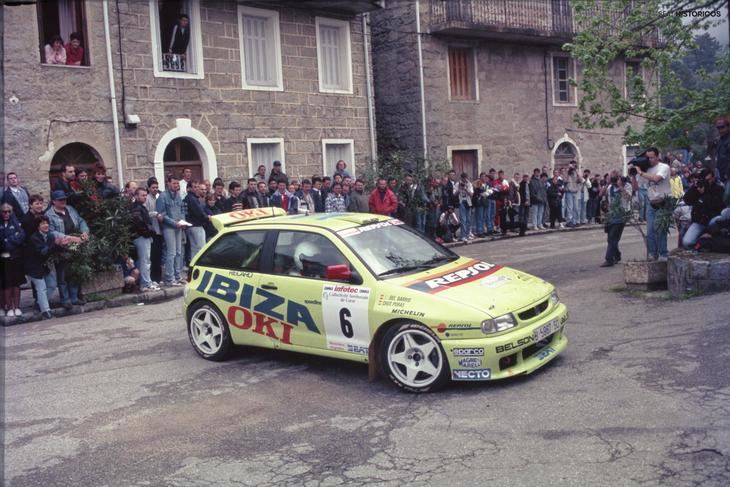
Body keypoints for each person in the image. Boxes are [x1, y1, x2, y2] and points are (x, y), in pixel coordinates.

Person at [25, 216, 79, 320]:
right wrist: (56, 244)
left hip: (44, 266)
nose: (46, 225)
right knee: (41, 288)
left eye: (46, 223)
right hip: (34, 268)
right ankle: (46, 311)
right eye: (42, 224)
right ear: (38, 226)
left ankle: (38, 303)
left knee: (52, 285)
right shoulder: (34, 238)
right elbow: (43, 252)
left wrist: (61, 245)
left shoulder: (49, 235)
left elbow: (53, 249)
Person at [45, 191, 89, 309]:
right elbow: (51, 231)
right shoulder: (49, 215)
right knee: (63, 274)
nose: (63, 201)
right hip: (61, 247)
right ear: (54, 201)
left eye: (64, 199)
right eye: (60, 200)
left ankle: (74, 298)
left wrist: (84, 232)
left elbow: (80, 221)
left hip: (75, 245)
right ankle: (65, 300)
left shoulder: (70, 209)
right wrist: (69, 238)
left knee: (73, 271)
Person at [631, 147, 671, 260]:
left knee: (661, 229)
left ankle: (663, 254)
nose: (649, 160)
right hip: (651, 202)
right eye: (647, 157)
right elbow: (636, 188)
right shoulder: (646, 169)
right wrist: (634, 175)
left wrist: (641, 172)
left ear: (658, 156)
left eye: (652, 157)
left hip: (663, 201)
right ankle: (652, 254)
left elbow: (656, 179)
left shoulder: (664, 167)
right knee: (650, 231)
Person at [681, 169, 726, 249]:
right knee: (687, 242)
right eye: (706, 180)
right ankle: (700, 242)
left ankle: (710, 236)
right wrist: (694, 188)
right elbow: (687, 200)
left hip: (713, 220)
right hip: (700, 221)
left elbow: (717, 206)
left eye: (710, 179)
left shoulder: (719, 189)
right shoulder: (698, 188)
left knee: (720, 218)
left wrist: (705, 194)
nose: (708, 181)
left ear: (713, 178)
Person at [156, 175, 185, 286]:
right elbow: (162, 214)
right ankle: (170, 277)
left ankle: (178, 276)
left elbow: (182, 209)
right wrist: (174, 223)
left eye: (177, 183)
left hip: (179, 226)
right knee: (171, 252)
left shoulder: (178, 196)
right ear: (168, 183)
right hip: (169, 228)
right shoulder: (162, 197)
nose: (176, 185)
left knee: (178, 252)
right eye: (174, 183)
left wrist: (183, 221)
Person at [131, 188, 160, 292]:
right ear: (136, 196)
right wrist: (148, 232)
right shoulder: (137, 208)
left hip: (143, 236)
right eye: (142, 195)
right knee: (145, 261)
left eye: (145, 195)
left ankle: (146, 282)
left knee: (145, 260)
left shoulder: (140, 207)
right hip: (141, 237)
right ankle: (146, 284)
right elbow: (139, 223)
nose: (145, 197)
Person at [601, 172, 632, 267]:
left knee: (613, 237)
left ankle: (609, 259)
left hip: (621, 215)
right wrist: (607, 183)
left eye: (616, 179)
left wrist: (621, 187)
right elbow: (601, 194)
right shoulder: (610, 187)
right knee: (611, 238)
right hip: (611, 215)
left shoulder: (627, 186)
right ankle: (617, 255)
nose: (615, 181)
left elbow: (628, 197)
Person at [1, 204, 25, 316]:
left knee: (16, 283)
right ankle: (9, 307)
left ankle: (17, 307)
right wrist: (7, 241)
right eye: (4, 212)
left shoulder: (16, 224)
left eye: (8, 212)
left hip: (15, 257)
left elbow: (21, 236)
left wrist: (7, 241)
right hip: (3, 259)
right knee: (6, 284)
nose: (6, 214)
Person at [145, 178, 164, 284]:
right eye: (153, 187)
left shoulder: (157, 198)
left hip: (159, 230)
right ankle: (153, 278)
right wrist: (155, 214)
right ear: (148, 188)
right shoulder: (147, 199)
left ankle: (158, 277)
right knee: (153, 256)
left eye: (157, 187)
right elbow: (146, 213)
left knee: (158, 256)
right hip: (152, 231)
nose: (155, 189)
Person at [184, 181, 208, 259]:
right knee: (201, 248)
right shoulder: (192, 199)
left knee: (194, 248)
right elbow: (199, 212)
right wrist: (207, 217)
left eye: (197, 187)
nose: (197, 189)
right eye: (195, 187)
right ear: (189, 189)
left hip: (190, 226)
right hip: (197, 225)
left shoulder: (188, 198)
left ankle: (193, 265)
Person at [455, 172, 474, 242]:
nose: (465, 180)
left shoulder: (469, 184)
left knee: (468, 220)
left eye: (466, 178)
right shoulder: (457, 184)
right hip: (461, 202)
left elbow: (472, 195)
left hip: (468, 202)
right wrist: (459, 189)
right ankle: (463, 235)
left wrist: (466, 189)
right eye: (464, 178)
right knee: (463, 220)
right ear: (461, 178)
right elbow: (454, 194)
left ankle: (467, 234)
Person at [714, 116, 730, 183]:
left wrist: (728, 173)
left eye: (722, 127)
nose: (720, 130)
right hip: (722, 174)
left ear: (728, 127)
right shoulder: (721, 140)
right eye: (718, 128)